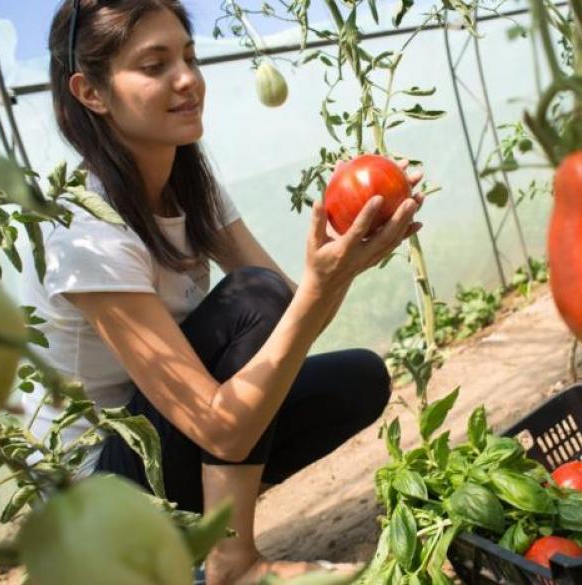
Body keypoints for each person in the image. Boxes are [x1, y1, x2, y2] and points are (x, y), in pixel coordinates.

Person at [24, 1, 424, 582]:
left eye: (188, 56)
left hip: (165, 444)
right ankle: (228, 562)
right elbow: (219, 424)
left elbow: (290, 310)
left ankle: (194, 543)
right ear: (91, 92)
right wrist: (317, 286)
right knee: (253, 301)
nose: (187, 79)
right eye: (154, 65)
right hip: (90, 496)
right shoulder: (84, 232)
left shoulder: (188, 185)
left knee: (358, 378)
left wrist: (346, 261)